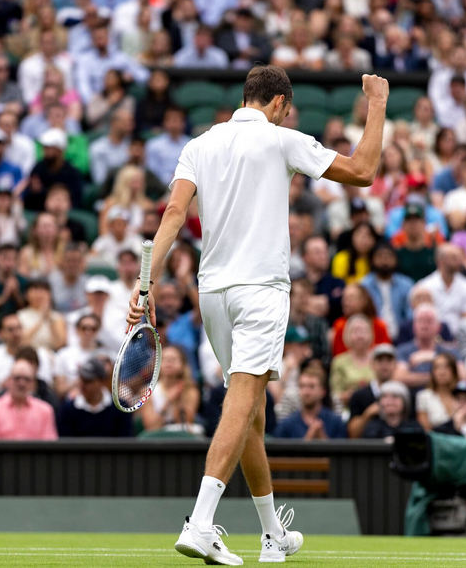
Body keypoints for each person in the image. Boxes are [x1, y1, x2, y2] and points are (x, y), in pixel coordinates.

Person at [126, 65, 388, 565]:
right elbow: (363, 171)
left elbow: (175, 215)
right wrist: (376, 105)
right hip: (260, 291)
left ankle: (273, 535)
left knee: (253, 415)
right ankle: (201, 522)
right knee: (243, 402)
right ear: (280, 105)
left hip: (213, 296)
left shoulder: (199, 145)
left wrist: (146, 283)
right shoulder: (281, 138)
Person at [0, 356, 58, 440]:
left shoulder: (45, 411)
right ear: (8, 380)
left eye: (27, 379)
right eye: (17, 378)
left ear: (33, 383)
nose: (22, 384)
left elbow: (48, 447)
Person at [58, 357, 133, 437]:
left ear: (102, 382)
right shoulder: (67, 410)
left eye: (88, 381)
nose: (83, 385)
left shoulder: (120, 408)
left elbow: (125, 442)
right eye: (81, 379)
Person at [346, 343, 396, 438]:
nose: (384, 365)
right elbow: (352, 435)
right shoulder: (359, 396)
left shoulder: (405, 394)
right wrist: (368, 414)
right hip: (368, 448)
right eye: (380, 360)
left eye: (389, 360)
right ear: (372, 364)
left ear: (395, 364)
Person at [415, 353, 459, 431]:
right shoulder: (424, 397)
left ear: (453, 371)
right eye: (437, 367)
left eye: (446, 367)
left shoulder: (462, 396)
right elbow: (426, 429)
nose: (441, 372)